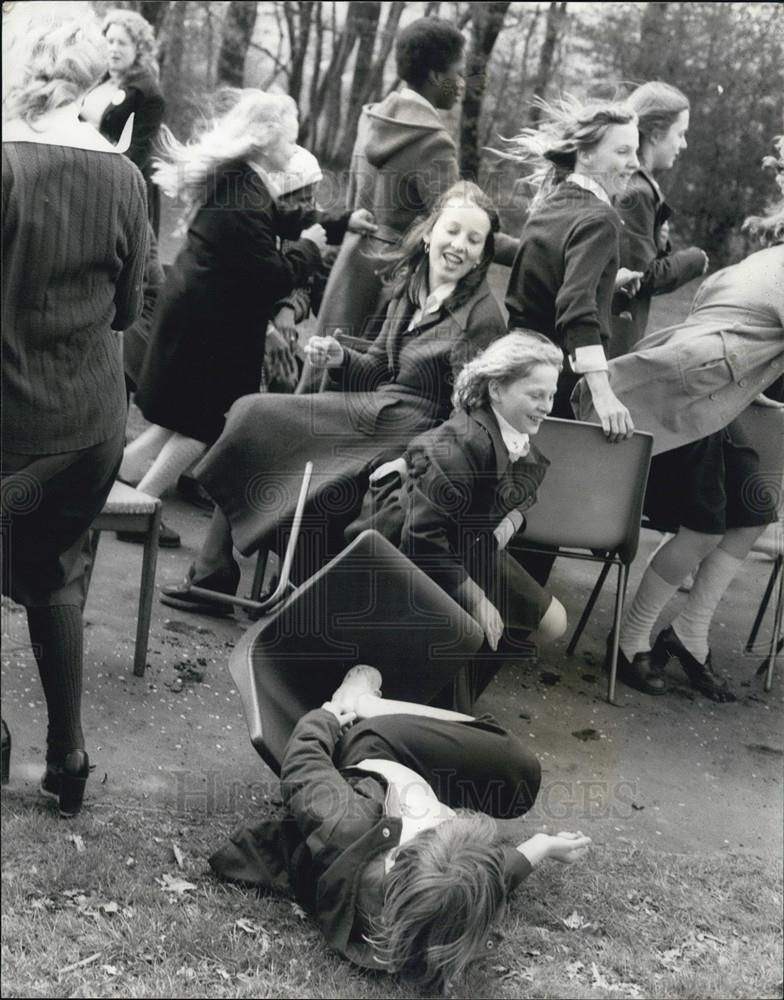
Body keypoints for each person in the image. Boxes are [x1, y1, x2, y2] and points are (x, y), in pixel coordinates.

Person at [162, 181, 508, 614]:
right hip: (378, 410)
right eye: (453, 231)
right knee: (251, 411)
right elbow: (382, 366)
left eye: (474, 240)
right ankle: (213, 572)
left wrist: (413, 457)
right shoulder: (412, 286)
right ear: (429, 233)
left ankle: (271, 587)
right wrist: (341, 357)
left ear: (483, 255)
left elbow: (467, 415)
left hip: (417, 430)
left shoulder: (482, 317)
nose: (459, 246)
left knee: (289, 441)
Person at [210, 665, 591, 992]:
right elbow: (491, 875)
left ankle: (361, 703)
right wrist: (542, 846)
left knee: (391, 719)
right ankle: (423, 702)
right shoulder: (442, 910)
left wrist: (328, 715)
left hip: (374, 751)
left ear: (396, 854)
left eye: (440, 822)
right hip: (417, 777)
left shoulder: (346, 824)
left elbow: (302, 765)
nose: (446, 814)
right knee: (517, 768)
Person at [1, 15, 148, 815]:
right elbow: (128, 310)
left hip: (12, 423)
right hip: (90, 423)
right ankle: (69, 755)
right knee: (55, 569)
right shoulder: (124, 179)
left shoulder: (5, 165)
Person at [118, 90, 374, 547]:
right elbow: (271, 275)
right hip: (208, 326)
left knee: (176, 421)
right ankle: (142, 508)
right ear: (263, 138)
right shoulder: (242, 193)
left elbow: (287, 217)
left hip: (200, 319)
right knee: (206, 426)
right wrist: (312, 248)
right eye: (290, 142)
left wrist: (340, 221)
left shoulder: (244, 182)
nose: (293, 151)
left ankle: (114, 484)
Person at [572, 194, 784, 700]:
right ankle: (628, 641)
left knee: (755, 507)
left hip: (708, 389)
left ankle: (689, 634)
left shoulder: (759, 261)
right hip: (682, 391)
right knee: (705, 523)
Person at [348, 332, 568, 708]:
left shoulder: (508, 433)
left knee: (553, 622)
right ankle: (441, 694)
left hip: (466, 541)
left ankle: (454, 684)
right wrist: (476, 596)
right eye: (535, 395)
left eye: (551, 395)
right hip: (412, 550)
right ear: (497, 390)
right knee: (494, 619)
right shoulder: (468, 441)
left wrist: (509, 523)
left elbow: (516, 496)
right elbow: (420, 538)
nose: (547, 406)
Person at [314, 17, 466, 345]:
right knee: (361, 380)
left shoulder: (372, 118)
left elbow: (356, 198)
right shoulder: (433, 142)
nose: (463, 83)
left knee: (325, 370)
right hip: (391, 280)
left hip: (351, 264)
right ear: (437, 76)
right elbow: (458, 223)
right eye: (458, 72)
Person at [503, 97, 643, 439]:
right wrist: (602, 392)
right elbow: (575, 307)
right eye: (623, 152)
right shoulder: (601, 218)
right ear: (586, 154)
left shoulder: (551, 202)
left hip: (515, 368)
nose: (635, 163)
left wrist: (606, 283)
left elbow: (550, 280)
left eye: (635, 152)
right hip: (554, 384)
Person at [609, 82, 708, 358]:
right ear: (654, 135)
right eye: (680, 134)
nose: (683, 144)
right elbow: (640, 276)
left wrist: (659, 243)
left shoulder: (638, 185)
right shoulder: (638, 192)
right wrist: (694, 259)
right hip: (611, 338)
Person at [78, 8, 165, 234]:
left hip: (117, 189)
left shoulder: (148, 94)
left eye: (122, 43)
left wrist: (97, 178)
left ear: (139, 49)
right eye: (110, 41)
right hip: (79, 177)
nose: (114, 49)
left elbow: (137, 154)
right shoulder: (96, 80)